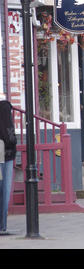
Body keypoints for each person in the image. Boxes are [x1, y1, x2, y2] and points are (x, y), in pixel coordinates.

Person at [0, 100, 17, 234]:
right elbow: (10, 133)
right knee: (5, 190)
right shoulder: (5, 108)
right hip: (6, 152)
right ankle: (2, 224)